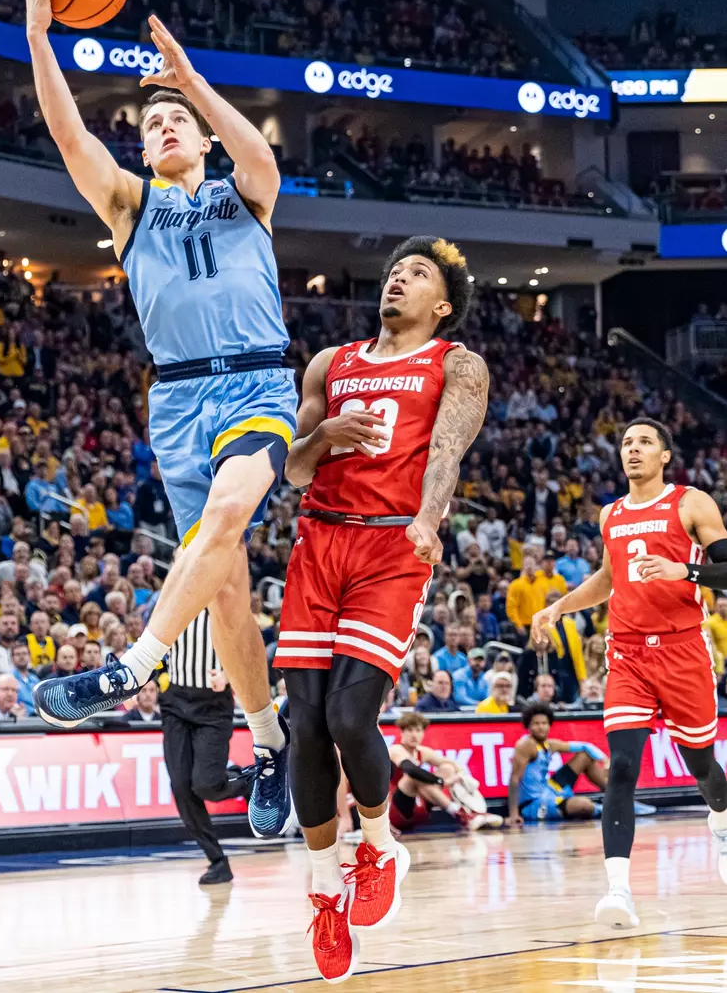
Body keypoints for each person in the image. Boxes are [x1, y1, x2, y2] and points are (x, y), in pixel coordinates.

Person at [27, 0, 296, 838]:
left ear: (205, 134)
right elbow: (71, 141)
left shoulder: (244, 193)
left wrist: (191, 80)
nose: (169, 126)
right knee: (224, 593)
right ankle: (269, 743)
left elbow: (258, 150)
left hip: (255, 383)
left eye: (181, 119)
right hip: (177, 403)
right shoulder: (130, 207)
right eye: (157, 123)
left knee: (225, 515)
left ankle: (131, 666)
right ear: (143, 148)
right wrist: (39, 38)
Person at [272, 235, 486, 982]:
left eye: (417, 274)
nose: (400, 279)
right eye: (396, 270)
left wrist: (428, 518)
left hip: (392, 547)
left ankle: (379, 841)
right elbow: (295, 472)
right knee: (304, 723)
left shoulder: (454, 364)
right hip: (319, 543)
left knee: (348, 718)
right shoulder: (331, 364)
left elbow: (446, 452)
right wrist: (320, 436)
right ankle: (324, 889)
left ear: (442, 305)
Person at [533, 418, 727, 930]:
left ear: (665, 455)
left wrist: (685, 571)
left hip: (684, 651)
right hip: (628, 655)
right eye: (626, 443)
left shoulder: (691, 503)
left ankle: (722, 820)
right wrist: (558, 609)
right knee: (621, 767)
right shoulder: (611, 514)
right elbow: (608, 579)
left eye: (644, 442)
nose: (632, 450)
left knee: (703, 767)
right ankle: (619, 889)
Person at [160, 607, 252, 886]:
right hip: (175, 702)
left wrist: (228, 675)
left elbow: (250, 652)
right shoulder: (169, 601)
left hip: (213, 705)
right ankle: (217, 861)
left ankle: (249, 780)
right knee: (180, 786)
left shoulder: (226, 604)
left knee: (206, 785)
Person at [388, 713, 502, 834]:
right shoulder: (396, 750)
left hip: (419, 809)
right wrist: (441, 782)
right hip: (396, 811)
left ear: (423, 733)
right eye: (409, 730)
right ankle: (462, 814)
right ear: (401, 732)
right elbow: (411, 770)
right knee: (413, 777)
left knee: (447, 769)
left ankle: (470, 811)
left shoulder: (422, 752)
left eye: (418, 730)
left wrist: (464, 777)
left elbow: (453, 765)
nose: (414, 735)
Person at [507, 704, 611, 826]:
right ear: (528, 726)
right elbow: (514, 779)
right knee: (584, 806)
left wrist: (605, 760)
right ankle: (608, 810)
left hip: (549, 790)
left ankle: (614, 795)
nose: (541, 727)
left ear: (549, 725)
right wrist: (514, 815)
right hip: (533, 803)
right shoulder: (525, 745)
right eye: (536, 724)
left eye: (544, 723)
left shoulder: (549, 744)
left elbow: (585, 746)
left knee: (584, 756)